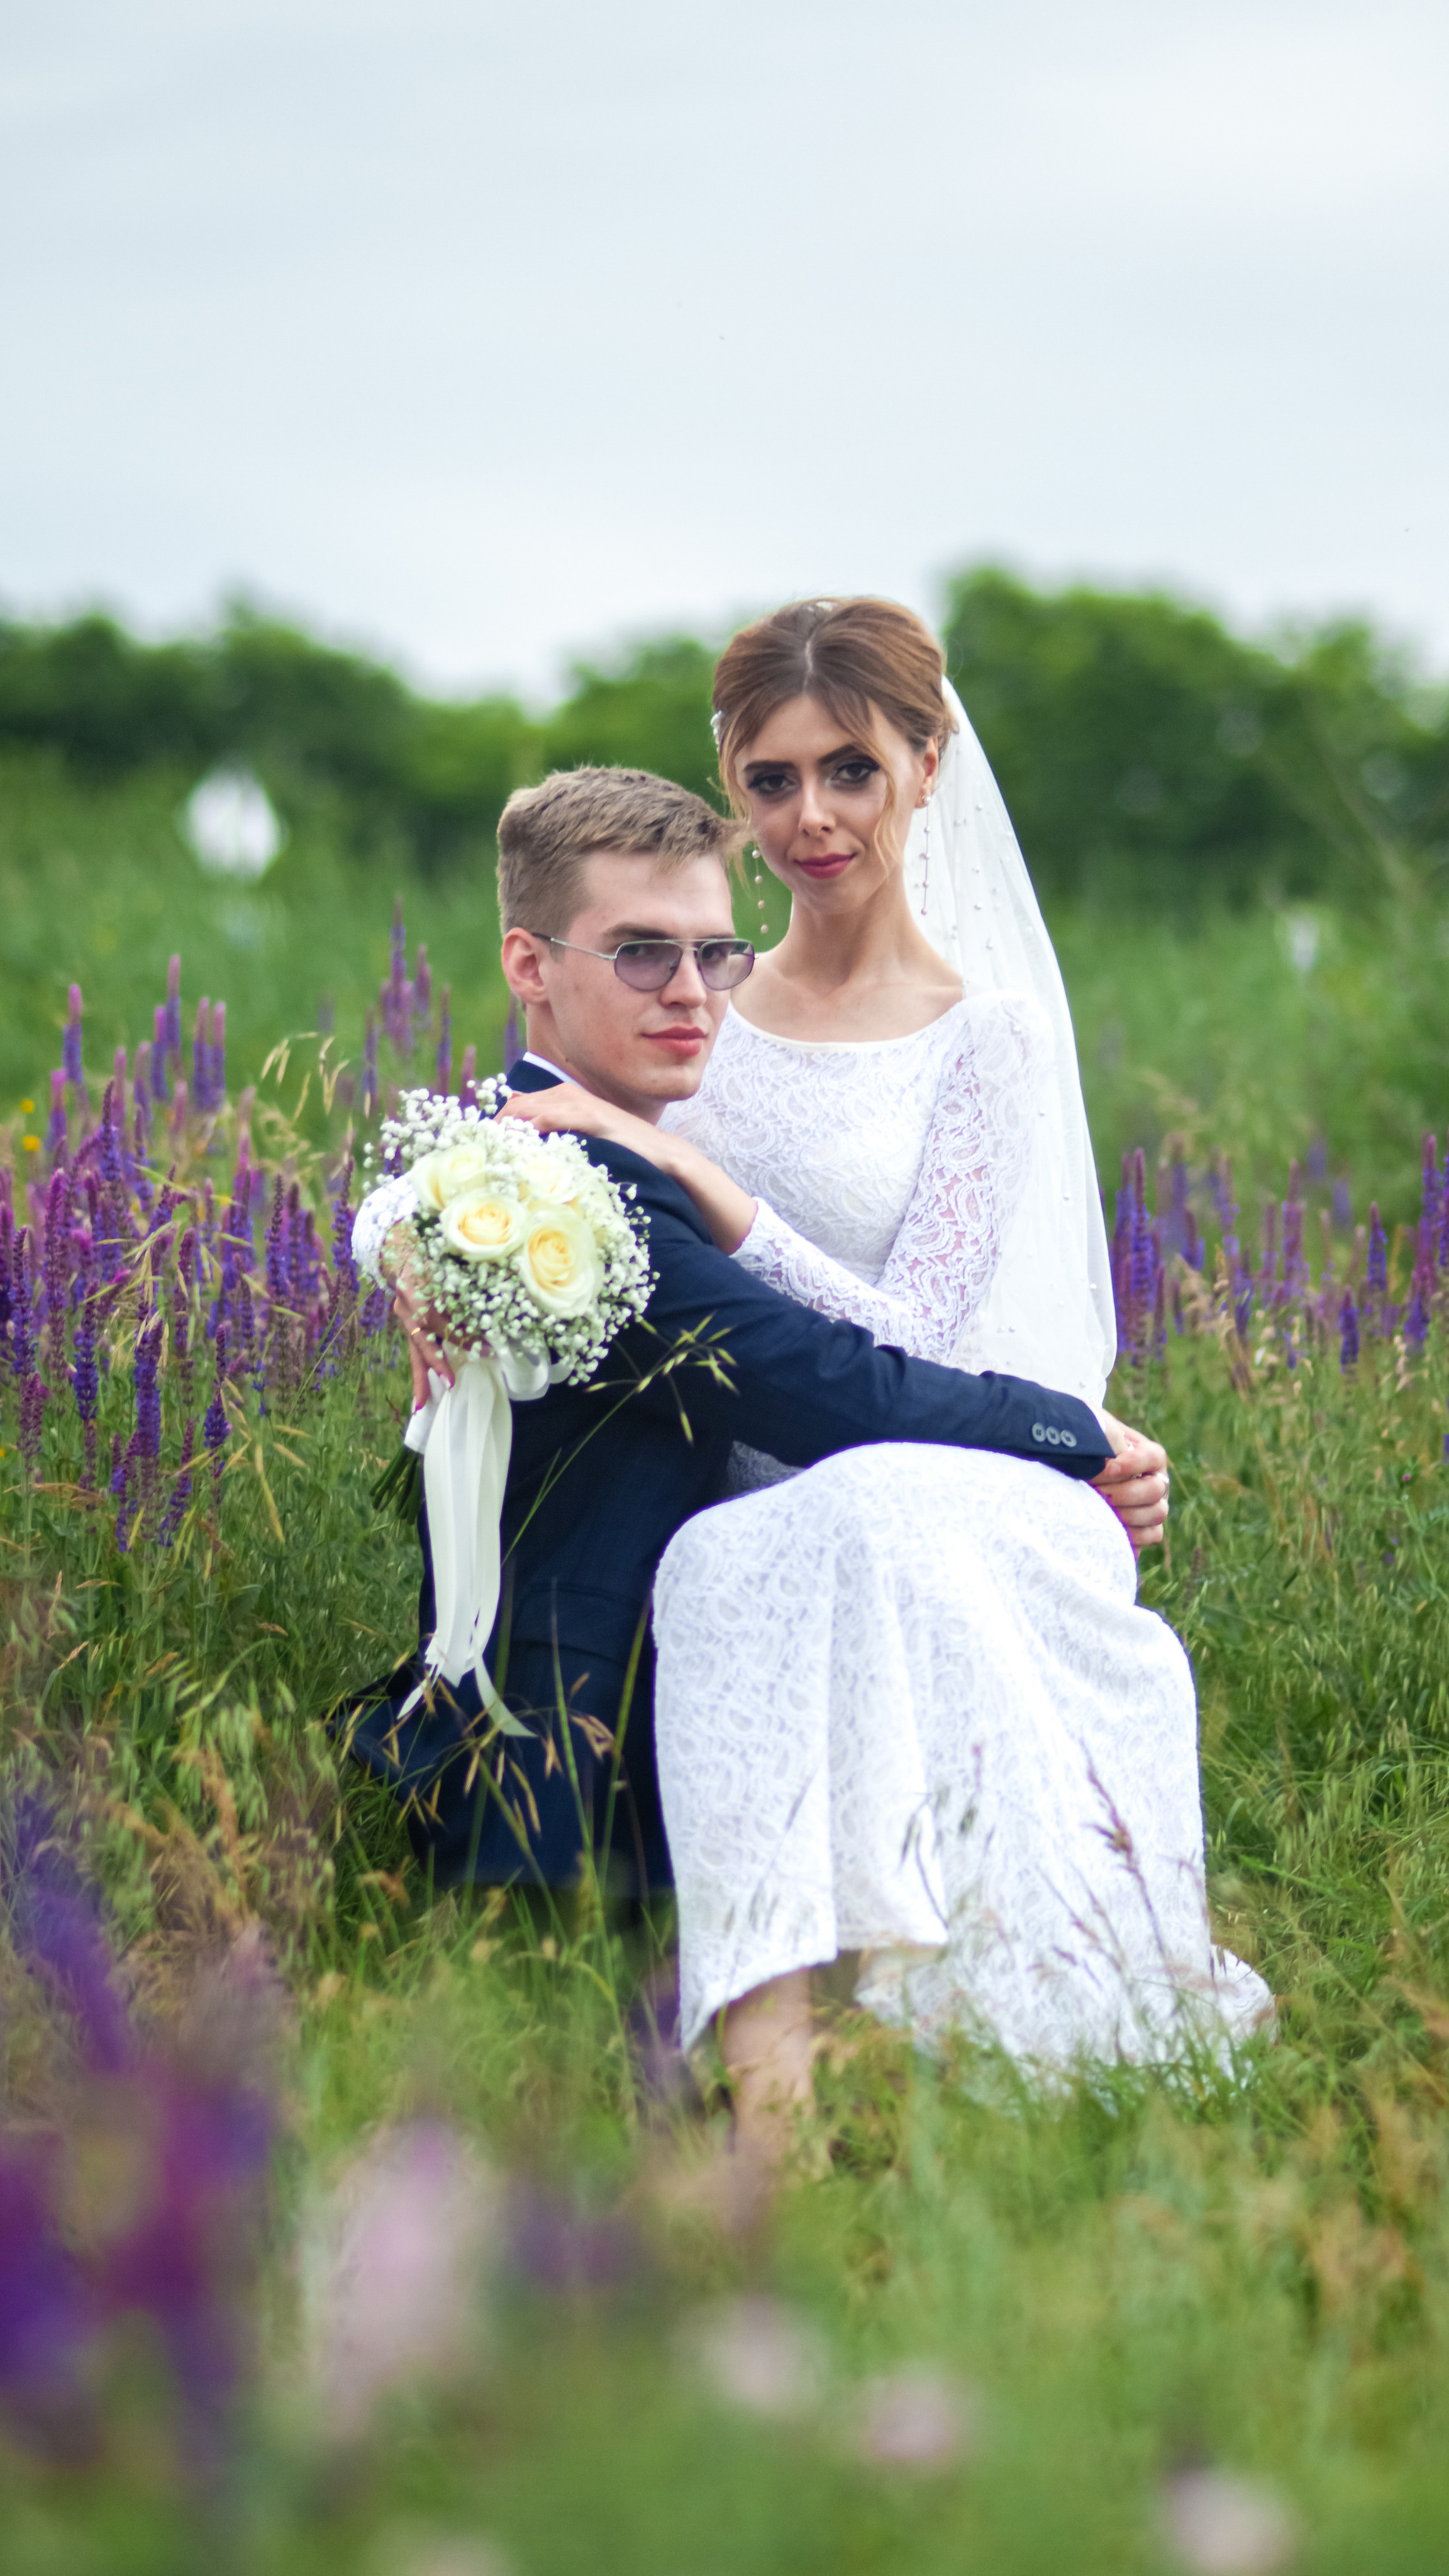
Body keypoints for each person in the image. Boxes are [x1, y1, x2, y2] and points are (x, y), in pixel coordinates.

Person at [502, 601, 1272, 2156]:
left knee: (833, 1526)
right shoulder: (696, 999)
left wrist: (717, 1192)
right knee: (740, 1550)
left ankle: (916, 2038)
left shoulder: (983, 1039)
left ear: (926, 765)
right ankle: (773, 2096)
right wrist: (428, 1256)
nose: (812, 817)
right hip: (753, 1484)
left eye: (849, 769)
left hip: (946, 1467)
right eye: (770, 779)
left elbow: (917, 1337)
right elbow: (532, 1138)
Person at [339, 768, 1153, 1963]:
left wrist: (388, 1230)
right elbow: (832, 1389)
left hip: (614, 1727)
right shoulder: (578, 1194)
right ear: (529, 966)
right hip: (562, 1762)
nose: (690, 992)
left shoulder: (524, 1165)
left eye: (716, 954)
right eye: (640, 953)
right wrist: (1072, 1431)